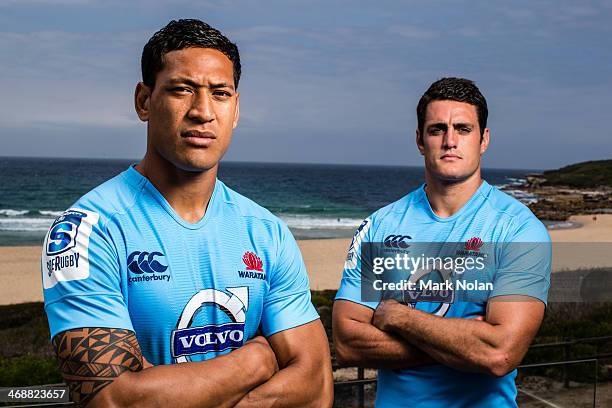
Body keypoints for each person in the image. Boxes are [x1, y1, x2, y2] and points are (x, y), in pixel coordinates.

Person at [42, 19, 333, 407]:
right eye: (182, 90)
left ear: (236, 108)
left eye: (220, 93)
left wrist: (167, 388)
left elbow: (316, 387)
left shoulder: (267, 232)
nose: (202, 111)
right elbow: (113, 401)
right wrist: (256, 360)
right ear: (144, 102)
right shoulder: (88, 231)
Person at [332, 77, 551, 407]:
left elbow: (500, 353)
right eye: (437, 129)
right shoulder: (380, 225)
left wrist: (399, 318)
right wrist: (464, 343)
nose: (450, 141)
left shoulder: (519, 230)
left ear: (484, 139)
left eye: (463, 129)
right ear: (420, 140)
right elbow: (348, 343)